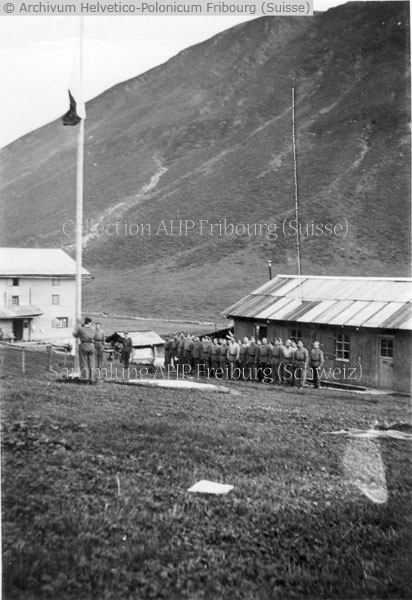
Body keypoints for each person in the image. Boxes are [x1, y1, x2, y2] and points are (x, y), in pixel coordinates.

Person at [73, 317, 96, 383]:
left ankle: (84, 378)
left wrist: (78, 327)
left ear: (85, 322)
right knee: (92, 363)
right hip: (92, 345)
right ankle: (92, 379)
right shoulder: (93, 328)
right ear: (90, 323)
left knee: (84, 363)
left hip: (84, 345)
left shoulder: (81, 329)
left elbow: (75, 335)